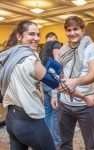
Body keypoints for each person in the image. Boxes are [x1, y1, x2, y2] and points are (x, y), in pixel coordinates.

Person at [0, 20, 57, 150]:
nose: (36, 38)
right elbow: (55, 84)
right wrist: (83, 96)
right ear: (19, 36)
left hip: (12, 118)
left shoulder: (7, 56)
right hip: (29, 120)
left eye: (38, 35)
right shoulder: (30, 59)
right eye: (31, 34)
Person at [52, 16, 94, 150]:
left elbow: (93, 75)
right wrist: (53, 94)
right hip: (64, 104)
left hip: (86, 104)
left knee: (91, 145)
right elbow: (58, 73)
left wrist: (76, 81)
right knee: (65, 143)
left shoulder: (92, 48)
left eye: (76, 29)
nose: (72, 33)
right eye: (69, 30)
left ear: (83, 30)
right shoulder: (63, 49)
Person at [39, 32, 61, 149]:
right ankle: (56, 144)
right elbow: (57, 64)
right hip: (53, 83)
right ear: (55, 38)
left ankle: (46, 139)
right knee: (55, 114)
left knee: (47, 112)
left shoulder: (42, 49)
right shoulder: (56, 44)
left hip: (44, 82)